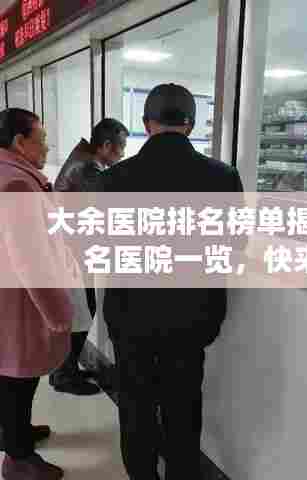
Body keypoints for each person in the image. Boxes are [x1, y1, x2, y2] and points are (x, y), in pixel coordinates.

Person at [98, 84, 244, 480]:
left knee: (136, 406)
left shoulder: (114, 179)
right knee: (183, 405)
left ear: (147, 124)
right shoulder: (223, 176)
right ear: (190, 124)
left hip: (131, 317)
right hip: (193, 317)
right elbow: (235, 245)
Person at [0, 108, 74, 479]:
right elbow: (31, 260)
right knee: (18, 378)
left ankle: (14, 433)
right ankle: (18, 459)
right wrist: (58, 314)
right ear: (20, 142)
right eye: (42, 140)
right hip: (18, 304)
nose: (46, 148)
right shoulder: (17, 184)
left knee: (8, 374)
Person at [49, 118, 129, 396]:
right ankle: (63, 374)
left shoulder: (84, 160)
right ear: (106, 146)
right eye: (121, 148)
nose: (123, 155)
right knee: (80, 313)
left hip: (71, 249)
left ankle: (68, 368)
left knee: (83, 311)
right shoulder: (87, 168)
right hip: (70, 252)